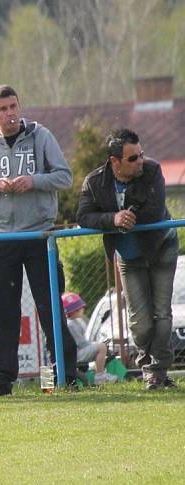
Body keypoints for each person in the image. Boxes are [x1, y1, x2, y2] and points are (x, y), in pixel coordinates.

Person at [0, 84, 78, 395]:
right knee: (2, 312)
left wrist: (35, 181)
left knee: (50, 307)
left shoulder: (41, 136)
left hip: (40, 234)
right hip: (0, 237)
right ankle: (0, 382)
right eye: (2, 109)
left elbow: (64, 177)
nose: (10, 113)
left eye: (13, 106)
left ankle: (64, 376)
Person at [77, 128, 178, 390]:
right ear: (115, 161)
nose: (140, 161)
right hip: (129, 258)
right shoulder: (94, 182)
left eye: (141, 155)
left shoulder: (153, 171)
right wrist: (112, 218)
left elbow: (156, 211)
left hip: (161, 248)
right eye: (133, 158)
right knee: (140, 324)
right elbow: (84, 216)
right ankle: (152, 366)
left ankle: (156, 371)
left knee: (162, 314)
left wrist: (127, 216)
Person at [61, 292, 117, 384]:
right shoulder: (71, 325)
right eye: (80, 308)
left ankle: (98, 373)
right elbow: (82, 344)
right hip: (77, 355)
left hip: (74, 354)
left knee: (100, 346)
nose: (82, 310)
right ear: (75, 310)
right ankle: (100, 376)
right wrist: (97, 344)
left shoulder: (72, 323)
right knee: (102, 347)